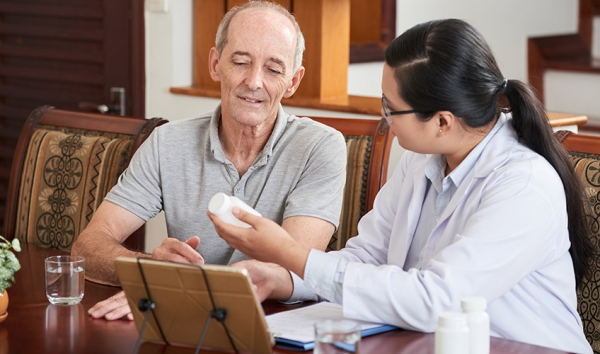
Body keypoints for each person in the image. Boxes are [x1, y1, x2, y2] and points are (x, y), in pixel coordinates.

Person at [209, 19, 594, 353]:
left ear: (442, 121)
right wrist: (284, 279)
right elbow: (367, 258)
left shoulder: (523, 184)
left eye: (391, 108)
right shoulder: (423, 158)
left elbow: (436, 301)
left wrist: (292, 254)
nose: (385, 116)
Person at [71, 1, 346, 321]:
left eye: (273, 69)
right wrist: (153, 270)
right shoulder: (166, 143)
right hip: (181, 323)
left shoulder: (320, 146)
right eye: (241, 62)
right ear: (216, 64)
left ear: (293, 82)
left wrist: (181, 284)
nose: (255, 81)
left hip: (274, 326)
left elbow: (297, 266)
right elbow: (87, 247)